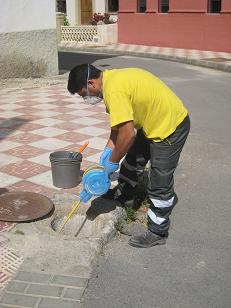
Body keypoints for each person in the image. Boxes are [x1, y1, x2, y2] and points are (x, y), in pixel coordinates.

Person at [67, 64, 190, 248]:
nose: (86, 99)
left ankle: (157, 231)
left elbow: (127, 135)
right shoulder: (111, 81)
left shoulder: (114, 91)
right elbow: (118, 130)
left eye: (84, 94)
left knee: (159, 181)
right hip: (152, 122)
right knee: (132, 160)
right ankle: (125, 198)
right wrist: (106, 158)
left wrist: (112, 162)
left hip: (169, 127)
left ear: (91, 83)